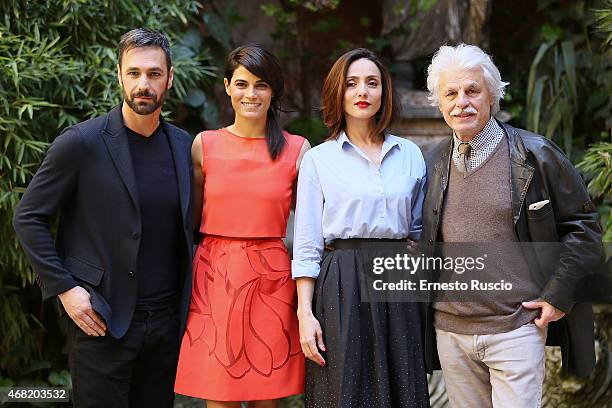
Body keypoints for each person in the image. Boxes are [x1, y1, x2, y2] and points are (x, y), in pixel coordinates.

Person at [12, 28, 193, 407]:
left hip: (164, 326)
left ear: (170, 78)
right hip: (100, 318)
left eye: (154, 74)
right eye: (134, 73)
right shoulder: (82, 142)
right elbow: (28, 217)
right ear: (119, 74)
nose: (144, 84)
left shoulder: (184, 147)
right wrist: (65, 289)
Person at [421, 43, 603, 407]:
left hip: (516, 330)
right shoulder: (433, 162)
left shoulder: (536, 155)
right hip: (452, 333)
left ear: (492, 96)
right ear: (439, 104)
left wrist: (556, 296)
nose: (462, 102)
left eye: (473, 91)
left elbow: (584, 229)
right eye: (451, 93)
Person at [292, 48, 430, 408]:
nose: (362, 92)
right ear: (338, 92)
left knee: (404, 388)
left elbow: (418, 230)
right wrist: (305, 314)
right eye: (351, 84)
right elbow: (307, 244)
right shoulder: (318, 160)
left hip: (399, 279)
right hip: (343, 281)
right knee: (348, 390)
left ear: (384, 91)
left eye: (372, 83)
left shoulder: (411, 154)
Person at [174, 44, 309, 408]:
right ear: (228, 87)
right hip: (215, 277)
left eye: (261, 85)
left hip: (272, 280)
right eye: (243, 84)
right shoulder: (205, 145)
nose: (251, 94)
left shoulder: (298, 150)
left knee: (267, 397)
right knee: (220, 398)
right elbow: (192, 218)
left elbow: (312, 225)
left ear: (273, 91)